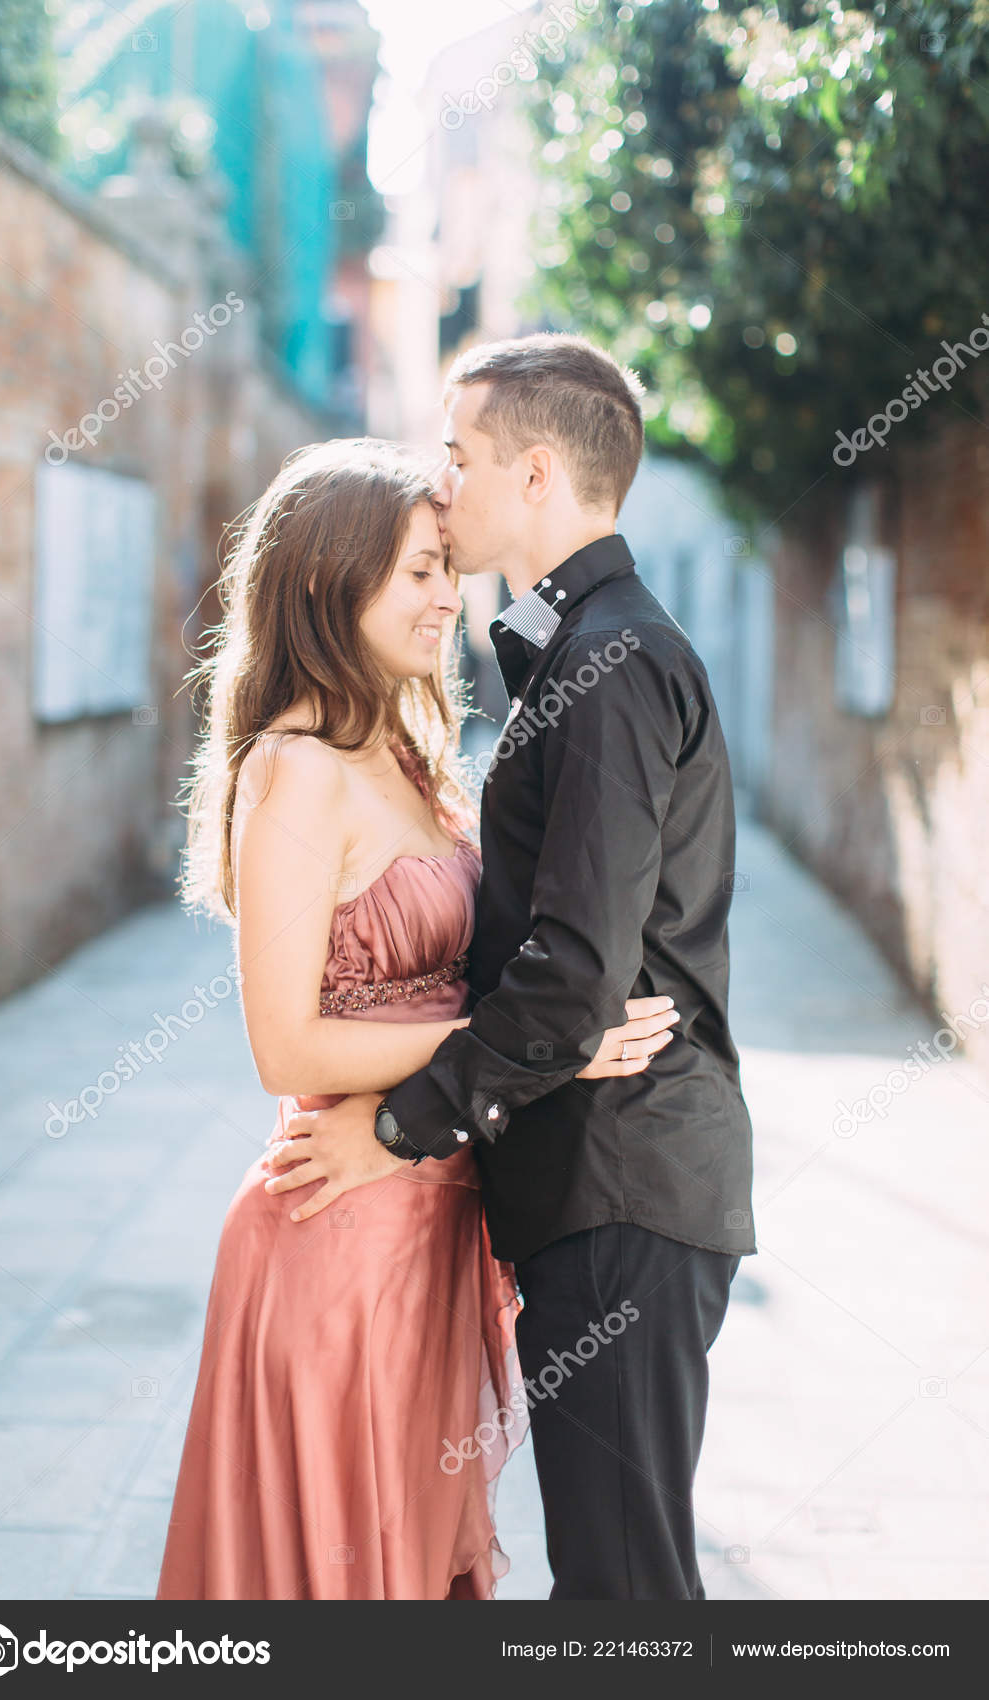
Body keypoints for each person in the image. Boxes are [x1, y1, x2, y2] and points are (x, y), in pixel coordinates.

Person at [265, 335, 757, 1601]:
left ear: (537, 474)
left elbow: (572, 976)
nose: (443, 484)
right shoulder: (574, 649)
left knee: (623, 1590)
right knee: (610, 1579)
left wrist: (398, 1127)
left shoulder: (612, 661)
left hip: (622, 1176)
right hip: (597, 1174)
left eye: (460, 455)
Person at [155, 437, 677, 1600]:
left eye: (447, 564)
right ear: (326, 580)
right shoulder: (295, 768)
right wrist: (546, 1047)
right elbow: (283, 1047)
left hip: (430, 1219)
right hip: (338, 1235)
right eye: (417, 572)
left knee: (416, 1573)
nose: (450, 596)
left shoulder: (401, 745)